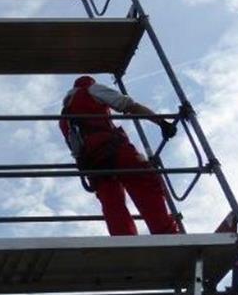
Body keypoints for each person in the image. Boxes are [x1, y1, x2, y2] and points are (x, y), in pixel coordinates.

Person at [59, 75, 180, 236]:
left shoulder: (64, 118)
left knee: (112, 205)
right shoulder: (90, 89)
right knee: (145, 186)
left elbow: (75, 149)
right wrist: (161, 123)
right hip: (115, 150)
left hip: (93, 164)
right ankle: (167, 236)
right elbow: (128, 105)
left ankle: (125, 243)